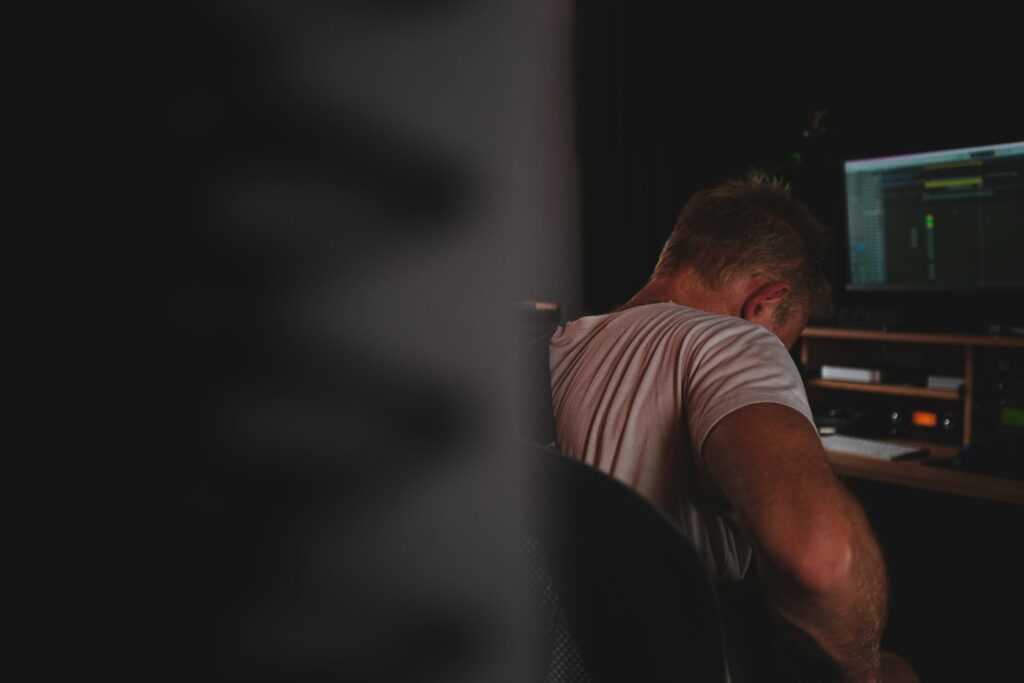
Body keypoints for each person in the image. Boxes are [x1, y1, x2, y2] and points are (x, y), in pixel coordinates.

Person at [549, 172, 916, 681]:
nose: (776, 350)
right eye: (784, 339)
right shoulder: (733, 341)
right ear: (763, 302)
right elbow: (820, 562)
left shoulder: (556, 347)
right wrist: (862, 673)